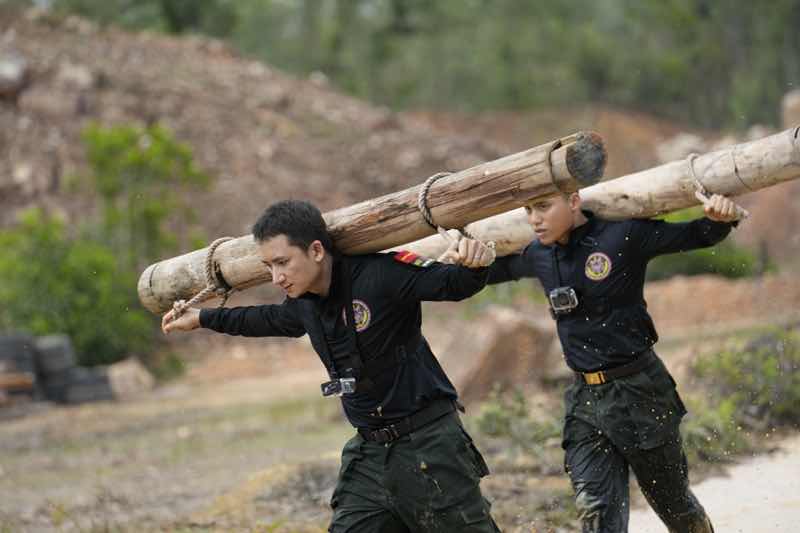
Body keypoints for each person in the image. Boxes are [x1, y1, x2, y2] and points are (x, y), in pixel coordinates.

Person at [162, 200, 501, 533]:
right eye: (268, 267)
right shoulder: (303, 303)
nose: (277, 277)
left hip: (429, 445)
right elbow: (264, 318)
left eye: (283, 262)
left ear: (316, 251)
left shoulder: (380, 274)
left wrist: (476, 265)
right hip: (369, 453)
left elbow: (452, 284)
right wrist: (202, 318)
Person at [457, 191, 743, 533]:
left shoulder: (623, 236)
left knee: (674, 505)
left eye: (544, 207)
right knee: (595, 511)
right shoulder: (540, 254)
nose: (534, 219)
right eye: (528, 210)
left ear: (574, 201)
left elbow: (696, 234)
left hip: (641, 393)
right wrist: (463, 258)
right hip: (585, 401)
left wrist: (721, 218)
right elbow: (490, 271)